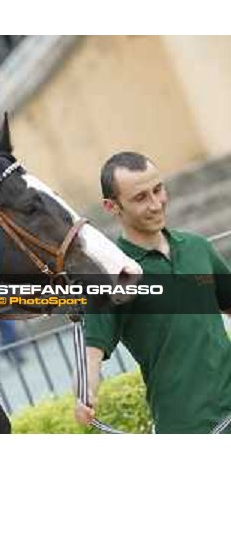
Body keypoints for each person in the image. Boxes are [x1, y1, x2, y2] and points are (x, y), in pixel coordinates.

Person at [76, 151, 231, 433]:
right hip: (187, 429)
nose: (155, 204)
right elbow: (92, 353)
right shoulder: (113, 275)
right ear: (112, 207)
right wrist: (85, 393)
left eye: (157, 190)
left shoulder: (198, 247)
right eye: (140, 198)